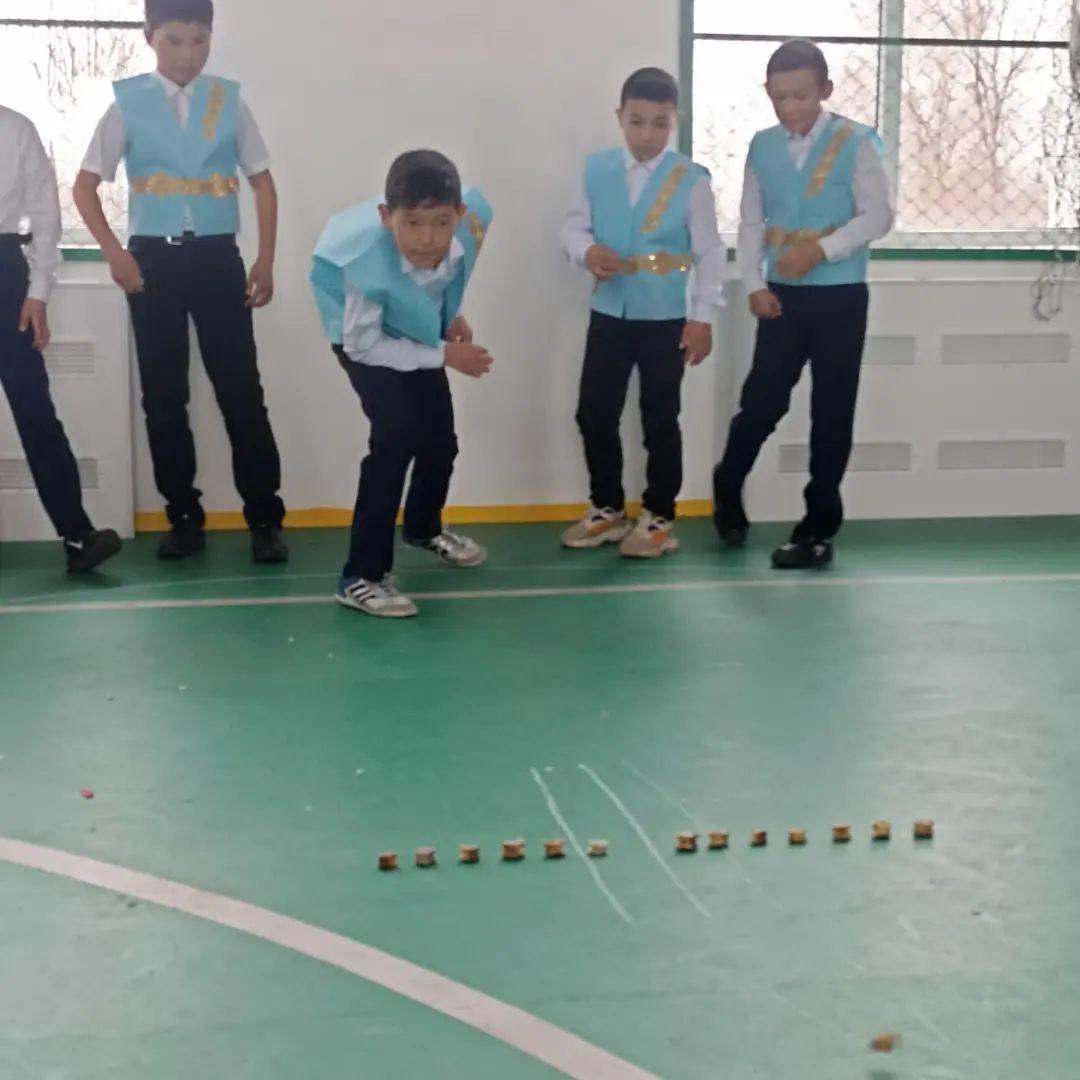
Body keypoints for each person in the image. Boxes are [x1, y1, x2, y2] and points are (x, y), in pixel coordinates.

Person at [72, 0, 288, 563]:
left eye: (199, 40)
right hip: (152, 263)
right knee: (164, 396)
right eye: (174, 41)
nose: (188, 55)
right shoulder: (127, 104)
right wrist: (116, 253)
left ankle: (265, 518)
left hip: (218, 259)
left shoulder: (228, 100)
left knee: (242, 391)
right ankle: (184, 518)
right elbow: (84, 187)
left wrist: (264, 259)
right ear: (150, 37)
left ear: (211, 37)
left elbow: (262, 183)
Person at [712, 39, 894, 568]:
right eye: (779, 97)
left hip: (841, 296)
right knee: (763, 402)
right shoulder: (762, 146)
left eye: (801, 96)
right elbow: (751, 221)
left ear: (825, 90)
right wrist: (754, 283)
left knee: (832, 412)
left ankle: (817, 529)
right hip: (782, 299)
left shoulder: (857, 142)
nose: (790, 107)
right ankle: (728, 484)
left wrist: (820, 251)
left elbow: (878, 215)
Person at [311, 150, 493, 618]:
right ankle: (360, 576)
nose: (427, 238)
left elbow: (440, 280)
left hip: (417, 333)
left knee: (440, 441)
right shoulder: (364, 267)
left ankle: (422, 527)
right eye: (411, 223)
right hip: (362, 341)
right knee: (395, 440)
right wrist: (444, 355)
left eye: (441, 222)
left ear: (460, 215)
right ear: (385, 216)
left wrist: (451, 317)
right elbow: (364, 346)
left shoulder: (468, 232)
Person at [560, 66, 725, 558]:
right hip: (609, 311)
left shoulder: (691, 179)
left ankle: (659, 516)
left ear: (675, 121)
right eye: (637, 121)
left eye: (660, 123)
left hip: (666, 317)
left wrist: (702, 317)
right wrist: (586, 252)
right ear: (620, 117)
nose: (647, 135)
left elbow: (710, 252)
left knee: (660, 418)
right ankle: (607, 508)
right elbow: (572, 228)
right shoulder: (596, 170)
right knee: (594, 412)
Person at [0, 104, 122, 573]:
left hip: (6, 276)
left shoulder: (15, 129)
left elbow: (45, 215)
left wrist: (38, 292)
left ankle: (77, 534)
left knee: (35, 410)